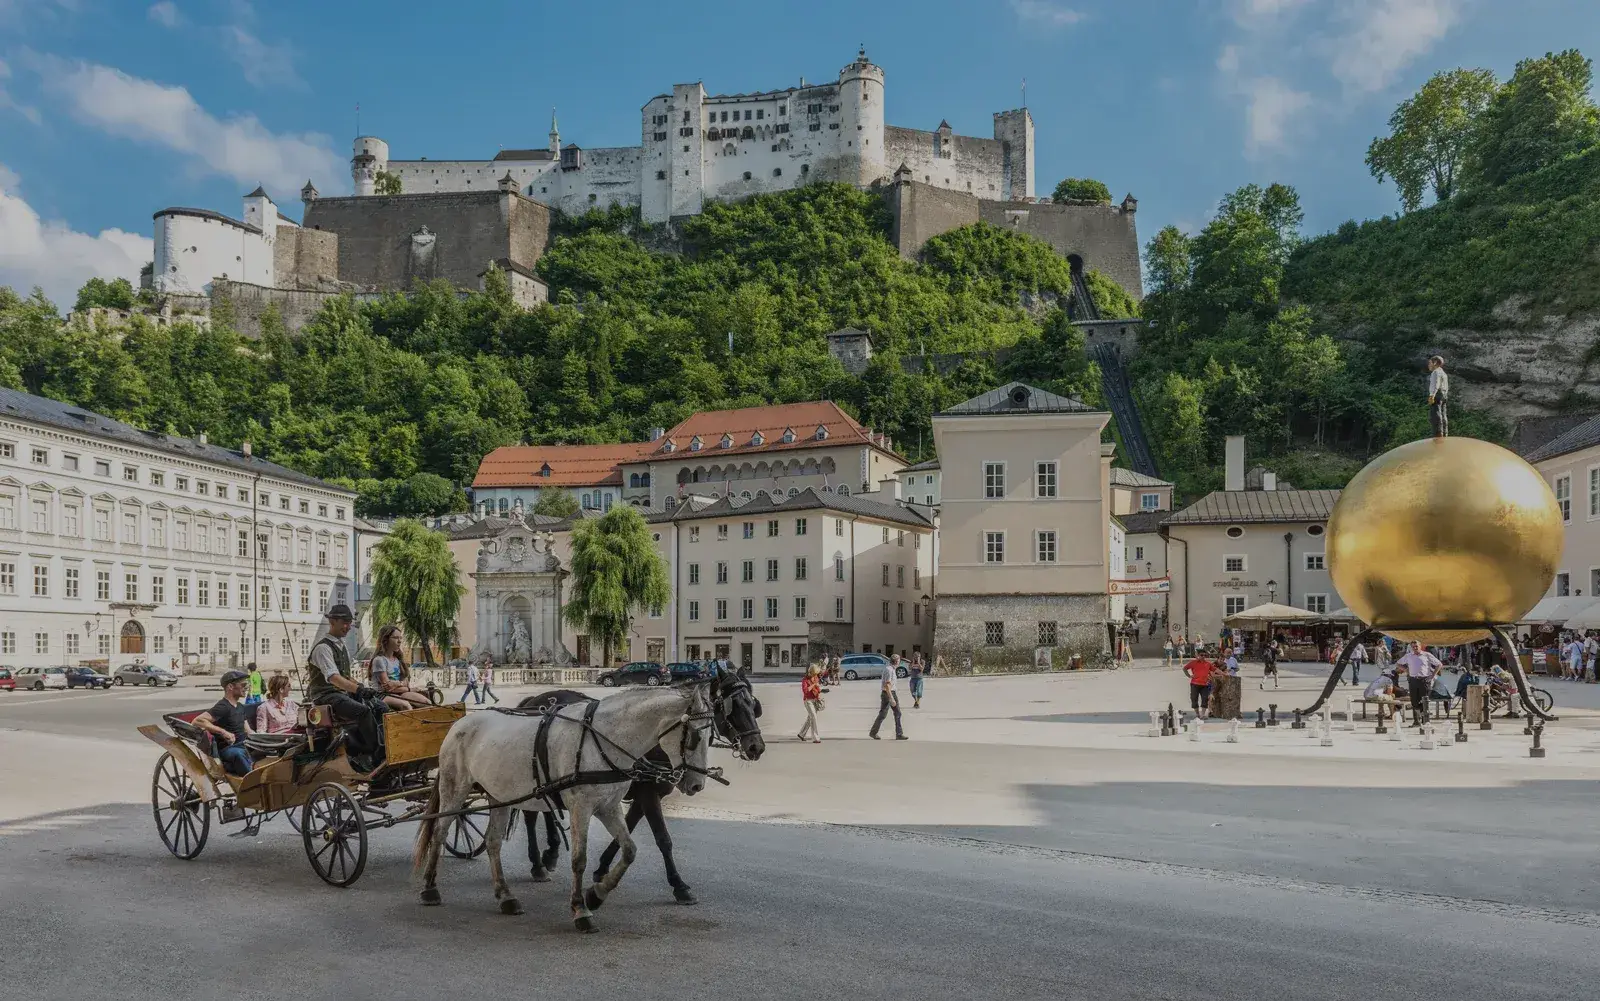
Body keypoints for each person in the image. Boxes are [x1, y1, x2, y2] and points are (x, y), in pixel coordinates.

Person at [306, 605, 386, 773]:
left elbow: (345, 676)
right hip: (326, 696)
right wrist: (358, 690)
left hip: (340, 693)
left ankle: (385, 744)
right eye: (344, 622)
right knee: (363, 711)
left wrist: (362, 688)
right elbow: (334, 678)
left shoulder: (341, 647)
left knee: (380, 706)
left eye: (350, 623)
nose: (348, 627)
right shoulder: (323, 648)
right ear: (332, 621)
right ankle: (372, 754)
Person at [194, 670, 255, 777]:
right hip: (229, 749)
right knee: (238, 754)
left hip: (244, 744)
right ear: (230, 687)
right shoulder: (223, 706)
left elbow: (248, 730)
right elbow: (197, 721)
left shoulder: (240, 707)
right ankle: (252, 782)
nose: (246, 687)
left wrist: (262, 739)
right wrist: (223, 732)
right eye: (243, 684)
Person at [370, 624, 431, 711]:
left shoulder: (398, 660)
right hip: (382, 694)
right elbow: (388, 688)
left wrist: (397, 684)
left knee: (427, 702)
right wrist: (408, 688)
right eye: (395, 638)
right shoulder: (379, 660)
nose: (399, 641)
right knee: (405, 705)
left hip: (400, 692)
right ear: (385, 640)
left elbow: (405, 682)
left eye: (400, 638)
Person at [1396, 640, 1444, 723]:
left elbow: (1439, 664)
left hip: (1424, 680)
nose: (1415, 648)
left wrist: (1432, 676)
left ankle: (1424, 720)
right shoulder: (1409, 656)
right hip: (1413, 679)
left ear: (1420, 646)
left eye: (1416, 646)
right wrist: (1406, 670)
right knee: (1414, 700)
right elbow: (1398, 663)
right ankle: (1416, 720)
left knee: (1424, 700)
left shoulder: (1427, 655)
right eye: (1413, 647)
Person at [869, 655, 907, 740]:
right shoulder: (889, 670)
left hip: (891, 692)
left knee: (896, 713)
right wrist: (891, 698)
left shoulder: (891, 669)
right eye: (899, 660)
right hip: (888, 693)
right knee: (884, 714)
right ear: (897, 661)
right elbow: (887, 685)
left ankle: (899, 734)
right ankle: (873, 732)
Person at [1183, 650, 1215, 718]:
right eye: (1201, 655)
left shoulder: (1208, 663)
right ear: (1198, 655)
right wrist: (1189, 675)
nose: (1203, 656)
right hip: (1194, 684)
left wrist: (1223, 674)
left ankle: (1203, 715)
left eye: (1204, 655)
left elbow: (1215, 670)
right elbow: (1185, 668)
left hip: (1204, 685)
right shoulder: (1193, 662)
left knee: (1205, 699)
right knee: (1194, 699)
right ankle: (1197, 714)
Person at [797, 664, 824, 743]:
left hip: (815, 700)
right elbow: (805, 691)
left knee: (810, 718)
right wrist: (814, 684)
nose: (816, 675)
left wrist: (820, 692)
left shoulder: (815, 678)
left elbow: (817, 689)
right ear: (812, 672)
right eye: (815, 673)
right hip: (808, 701)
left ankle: (801, 734)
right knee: (814, 717)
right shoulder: (805, 680)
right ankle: (815, 737)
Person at [1427, 355, 1449, 438]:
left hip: (1437, 394)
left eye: (1430, 363)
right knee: (1443, 414)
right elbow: (1446, 386)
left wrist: (1432, 395)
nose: (1428, 365)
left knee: (1435, 414)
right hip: (1444, 395)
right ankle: (1445, 433)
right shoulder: (1444, 373)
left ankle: (1438, 434)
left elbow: (1435, 384)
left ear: (1435, 363)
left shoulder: (1435, 372)